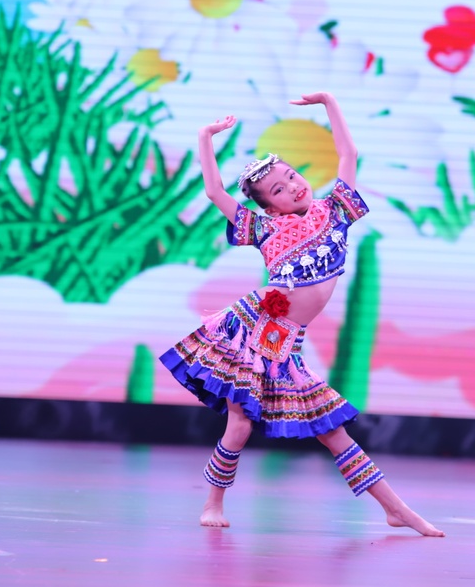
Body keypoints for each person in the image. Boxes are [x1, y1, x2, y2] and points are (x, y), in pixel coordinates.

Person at [159, 92, 443, 537]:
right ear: (269, 207)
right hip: (252, 332)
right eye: (278, 189)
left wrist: (329, 103)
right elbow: (214, 191)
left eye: (291, 176)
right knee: (240, 423)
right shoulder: (263, 227)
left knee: (332, 430)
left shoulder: (336, 211)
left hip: (286, 342)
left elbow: (348, 154)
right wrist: (205, 136)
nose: (292, 186)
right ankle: (212, 503)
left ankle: (396, 509)